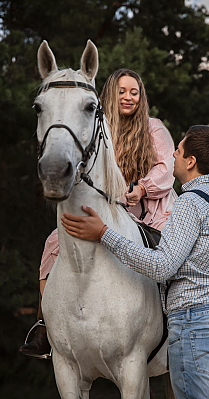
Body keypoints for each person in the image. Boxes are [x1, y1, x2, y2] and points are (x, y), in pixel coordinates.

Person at [60, 125, 209, 399]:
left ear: (191, 161)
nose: (173, 154)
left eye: (179, 150)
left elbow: (162, 266)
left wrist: (104, 234)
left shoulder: (190, 202)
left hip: (197, 326)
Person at [19, 69, 177, 358]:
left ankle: (175, 319)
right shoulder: (98, 127)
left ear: (141, 98)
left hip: (149, 210)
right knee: (54, 243)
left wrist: (141, 188)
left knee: (166, 255)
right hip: (109, 210)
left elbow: (166, 169)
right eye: (121, 91)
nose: (128, 96)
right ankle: (44, 325)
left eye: (134, 91)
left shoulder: (154, 129)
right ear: (109, 95)